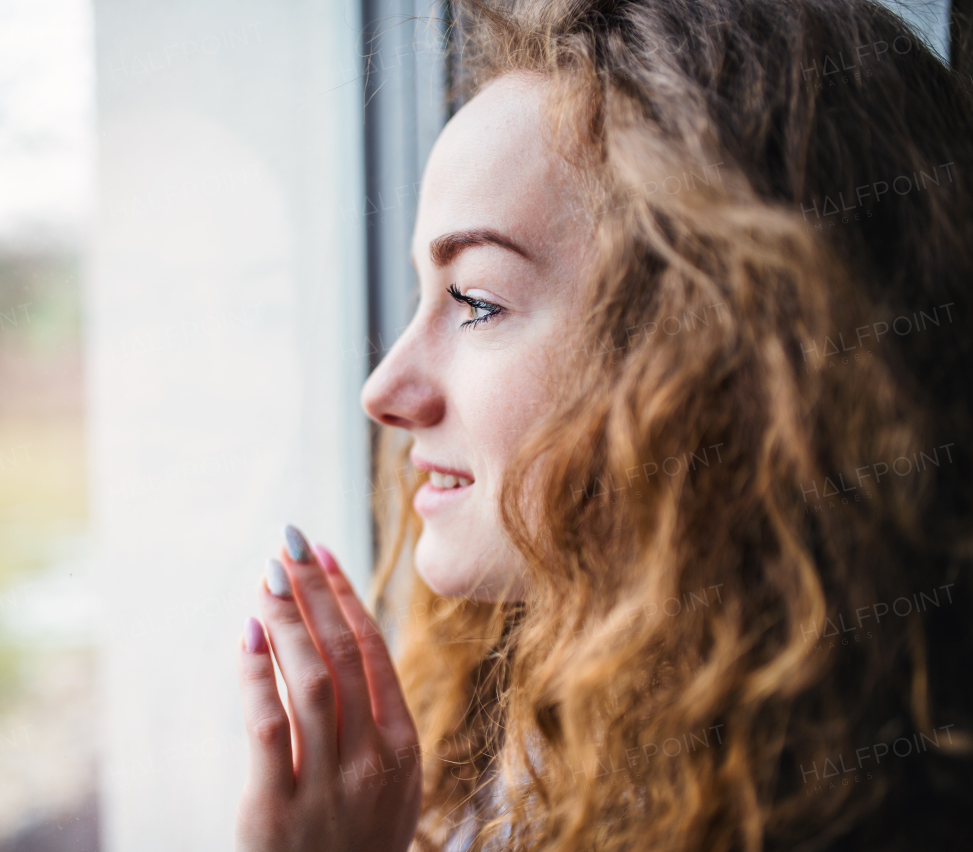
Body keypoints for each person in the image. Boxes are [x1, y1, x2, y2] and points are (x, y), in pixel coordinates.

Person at [234, 0, 973, 849]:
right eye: (419, 295)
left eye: (475, 299)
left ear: (724, 352)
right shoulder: (525, 761)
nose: (384, 386)